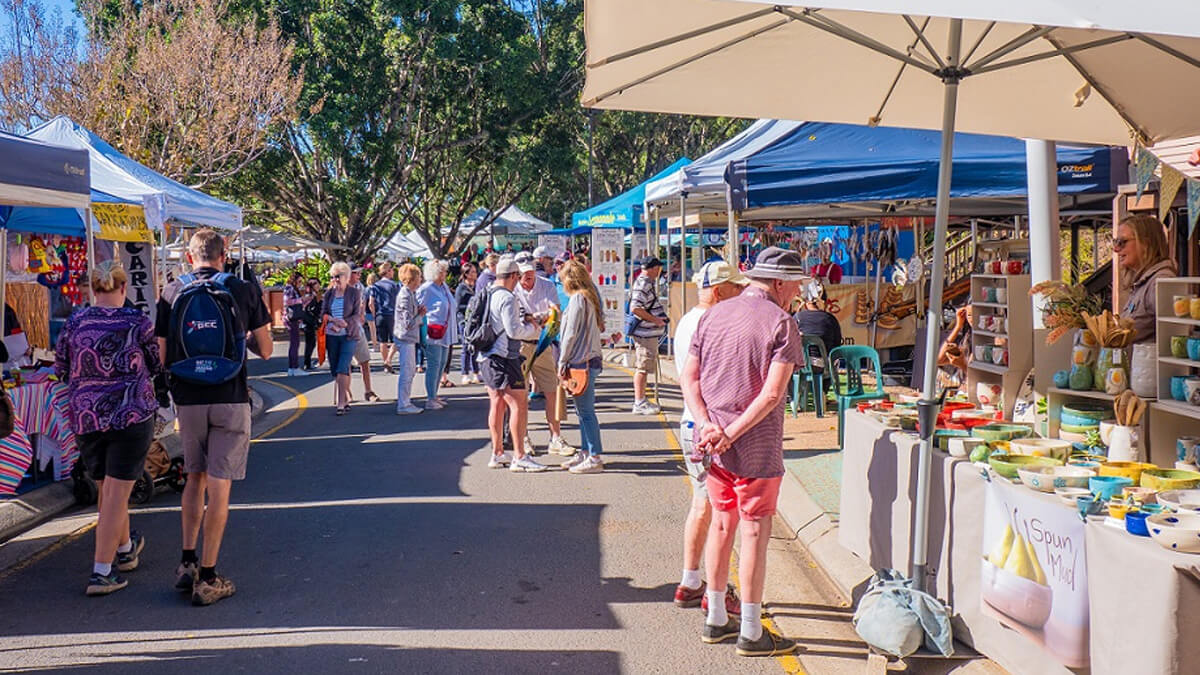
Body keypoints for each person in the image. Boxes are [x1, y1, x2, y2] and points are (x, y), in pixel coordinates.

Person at [680, 246, 806, 657]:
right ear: (780, 283)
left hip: (712, 444)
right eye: (796, 285)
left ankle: (716, 617)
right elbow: (772, 394)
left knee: (721, 524)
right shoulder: (782, 323)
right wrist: (732, 433)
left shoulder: (713, 314)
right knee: (753, 531)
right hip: (756, 447)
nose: (798, 292)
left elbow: (689, 378)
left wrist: (707, 424)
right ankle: (751, 630)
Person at [156, 229, 272, 606]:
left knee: (195, 477)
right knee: (220, 485)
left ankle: (187, 561)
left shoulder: (172, 292)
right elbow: (266, 349)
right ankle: (208, 577)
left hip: (188, 398)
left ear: (190, 257)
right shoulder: (242, 289)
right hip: (230, 395)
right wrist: (242, 337)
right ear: (224, 256)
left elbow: (162, 356)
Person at [56, 261, 160, 596]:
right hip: (130, 414)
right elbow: (155, 363)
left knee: (109, 489)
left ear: (92, 289)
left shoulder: (74, 322)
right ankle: (102, 571)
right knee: (116, 493)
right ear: (123, 288)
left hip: (86, 417)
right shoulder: (137, 321)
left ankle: (125, 548)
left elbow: (61, 367)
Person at [670, 260, 747, 615]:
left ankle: (690, 581)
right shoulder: (713, 323)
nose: (742, 293)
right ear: (718, 291)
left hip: (691, 423)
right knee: (722, 512)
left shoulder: (687, 320)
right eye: (736, 287)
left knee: (703, 504)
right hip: (710, 427)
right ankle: (716, 591)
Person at [482, 256, 547, 473]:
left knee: (497, 403)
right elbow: (514, 331)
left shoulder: (488, 292)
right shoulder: (508, 298)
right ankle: (520, 456)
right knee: (519, 403)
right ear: (512, 276)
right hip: (505, 356)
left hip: (486, 355)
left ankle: (497, 452)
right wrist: (535, 331)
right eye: (518, 277)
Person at [516, 260, 575, 455]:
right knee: (521, 395)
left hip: (542, 342)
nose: (528, 277)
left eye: (530, 272)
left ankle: (556, 438)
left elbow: (555, 311)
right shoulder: (513, 288)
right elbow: (516, 316)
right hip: (521, 345)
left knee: (552, 390)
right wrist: (535, 316)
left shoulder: (546, 285)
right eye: (524, 273)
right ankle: (523, 438)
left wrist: (534, 317)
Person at [556, 260, 607, 474]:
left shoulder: (578, 299)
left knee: (585, 412)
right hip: (589, 359)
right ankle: (586, 452)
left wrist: (562, 360)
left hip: (580, 360)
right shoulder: (590, 297)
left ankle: (594, 456)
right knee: (583, 411)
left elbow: (570, 334)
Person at [1117, 214, 1177, 344]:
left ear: (1146, 244)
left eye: (1122, 242)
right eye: (1115, 242)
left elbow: (1176, 334)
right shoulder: (1144, 282)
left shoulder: (1160, 281)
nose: (1116, 249)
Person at [628, 257, 668, 415]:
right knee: (642, 368)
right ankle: (639, 401)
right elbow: (635, 308)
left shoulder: (645, 282)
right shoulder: (643, 284)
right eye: (658, 268)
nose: (659, 272)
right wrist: (655, 320)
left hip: (647, 333)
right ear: (653, 268)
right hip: (644, 334)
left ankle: (641, 399)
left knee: (644, 367)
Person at [417, 260, 458, 410]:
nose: (445, 274)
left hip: (446, 331)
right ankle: (430, 398)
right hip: (433, 331)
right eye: (442, 271)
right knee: (434, 364)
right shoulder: (426, 288)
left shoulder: (443, 287)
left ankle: (434, 394)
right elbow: (418, 306)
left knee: (441, 364)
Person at [323, 262, 363, 415]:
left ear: (346, 277)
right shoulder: (329, 294)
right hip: (332, 335)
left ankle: (341, 403)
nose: (335, 280)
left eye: (338, 276)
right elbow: (323, 313)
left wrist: (344, 323)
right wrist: (332, 321)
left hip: (349, 335)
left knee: (342, 367)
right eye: (333, 277)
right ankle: (345, 398)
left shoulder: (354, 293)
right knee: (335, 368)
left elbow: (356, 315)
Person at [793, 280, 843, 396]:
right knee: (833, 360)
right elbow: (837, 344)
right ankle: (823, 393)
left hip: (802, 365)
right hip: (824, 367)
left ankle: (796, 396)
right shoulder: (830, 318)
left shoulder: (797, 317)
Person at [393, 263, 425, 414]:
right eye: (419, 277)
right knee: (407, 371)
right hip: (406, 337)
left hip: (408, 337)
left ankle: (405, 402)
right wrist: (420, 315)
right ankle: (403, 404)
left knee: (410, 370)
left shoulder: (410, 294)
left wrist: (418, 312)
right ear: (412, 278)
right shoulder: (405, 295)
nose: (420, 280)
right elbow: (408, 323)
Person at [349, 269, 378, 403]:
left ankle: (368, 391)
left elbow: (362, 304)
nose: (359, 275)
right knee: (346, 363)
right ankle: (346, 392)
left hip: (358, 329)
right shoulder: (340, 289)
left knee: (364, 360)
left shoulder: (360, 287)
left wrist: (361, 314)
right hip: (345, 330)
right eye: (356, 273)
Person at [370, 262, 400, 374]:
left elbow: (371, 303)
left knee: (382, 341)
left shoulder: (375, 286)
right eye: (391, 270)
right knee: (396, 340)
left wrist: (374, 314)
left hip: (380, 314)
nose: (393, 272)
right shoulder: (394, 285)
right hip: (391, 314)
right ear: (387, 271)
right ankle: (388, 360)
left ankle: (386, 363)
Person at [456, 264, 481, 385]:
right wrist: (470, 307)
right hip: (464, 321)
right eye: (472, 272)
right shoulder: (461, 288)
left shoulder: (476, 286)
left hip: (475, 320)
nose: (475, 274)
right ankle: (465, 374)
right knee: (466, 347)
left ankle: (476, 372)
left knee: (476, 346)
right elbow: (457, 306)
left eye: (475, 272)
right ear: (466, 274)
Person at [284, 272, 307, 376]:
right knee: (295, 343)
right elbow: (287, 301)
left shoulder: (292, 289)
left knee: (295, 343)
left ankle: (293, 367)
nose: (300, 283)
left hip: (294, 318)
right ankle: (294, 366)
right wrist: (300, 300)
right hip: (291, 318)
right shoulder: (289, 288)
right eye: (299, 281)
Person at [302, 278, 323, 371]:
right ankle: (307, 363)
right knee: (310, 343)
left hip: (309, 322)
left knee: (311, 342)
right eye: (317, 284)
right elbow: (309, 309)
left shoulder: (313, 295)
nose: (319, 286)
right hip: (308, 322)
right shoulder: (310, 296)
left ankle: (308, 362)